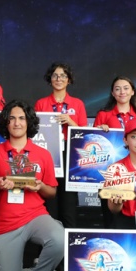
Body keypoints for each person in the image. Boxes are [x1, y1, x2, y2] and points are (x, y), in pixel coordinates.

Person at [0, 100, 65, 271]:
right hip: (5, 223)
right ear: (6, 123)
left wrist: (39, 186)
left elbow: (51, 193)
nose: (17, 123)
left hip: (34, 216)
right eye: (12, 118)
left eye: (22, 118)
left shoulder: (42, 154)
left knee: (60, 238)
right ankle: (43, 270)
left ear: (29, 122)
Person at [34, 62, 87, 228]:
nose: (59, 79)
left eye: (63, 76)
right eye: (55, 75)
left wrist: (70, 122)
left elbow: (84, 136)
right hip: (48, 154)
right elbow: (35, 132)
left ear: (68, 80)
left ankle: (68, 241)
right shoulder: (41, 103)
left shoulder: (77, 104)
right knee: (50, 201)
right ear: (50, 79)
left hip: (70, 154)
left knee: (69, 203)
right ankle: (51, 240)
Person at [94, 76, 136, 228]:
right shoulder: (103, 115)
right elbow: (94, 143)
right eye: (117, 89)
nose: (122, 92)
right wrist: (99, 131)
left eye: (126, 88)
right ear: (113, 93)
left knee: (133, 213)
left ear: (133, 92)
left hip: (135, 172)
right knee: (110, 218)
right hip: (110, 173)